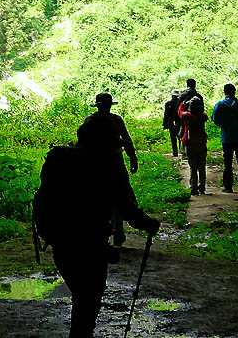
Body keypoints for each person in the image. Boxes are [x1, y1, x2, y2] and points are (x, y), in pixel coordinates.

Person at [35, 119, 160, 338]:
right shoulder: (103, 167)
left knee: (82, 295)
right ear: (102, 142)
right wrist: (147, 224)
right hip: (91, 244)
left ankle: (81, 334)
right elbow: (124, 206)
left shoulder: (60, 161)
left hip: (61, 240)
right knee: (89, 297)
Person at [84, 92, 137, 246]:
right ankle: (118, 231)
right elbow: (126, 140)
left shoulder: (89, 120)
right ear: (109, 105)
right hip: (115, 162)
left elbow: (83, 142)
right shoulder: (116, 120)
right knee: (119, 196)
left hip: (95, 164)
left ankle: (101, 233)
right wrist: (132, 157)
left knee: (96, 198)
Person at [212, 83, 238, 193]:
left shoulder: (220, 105)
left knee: (228, 163)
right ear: (234, 91)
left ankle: (228, 186)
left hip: (226, 138)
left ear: (225, 92)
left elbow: (216, 120)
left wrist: (226, 124)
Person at [178, 95, 209, 195]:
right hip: (202, 143)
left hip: (191, 144)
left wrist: (183, 103)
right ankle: (202, 187)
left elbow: (180, 112)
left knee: (193, 167)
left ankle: (194, 188)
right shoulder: (203, 116)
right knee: (202, 166)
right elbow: (205, 115)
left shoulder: (187, 116)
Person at [162, 89, 181, 156]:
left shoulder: (168, 104)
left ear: (172, 95)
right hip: (179, 122)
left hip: (171, 123)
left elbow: (166, 115)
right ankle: (182, 151)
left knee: (173, 138)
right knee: (180, 137)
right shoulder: (181, 103)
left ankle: (175, 153)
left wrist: (164, 124)